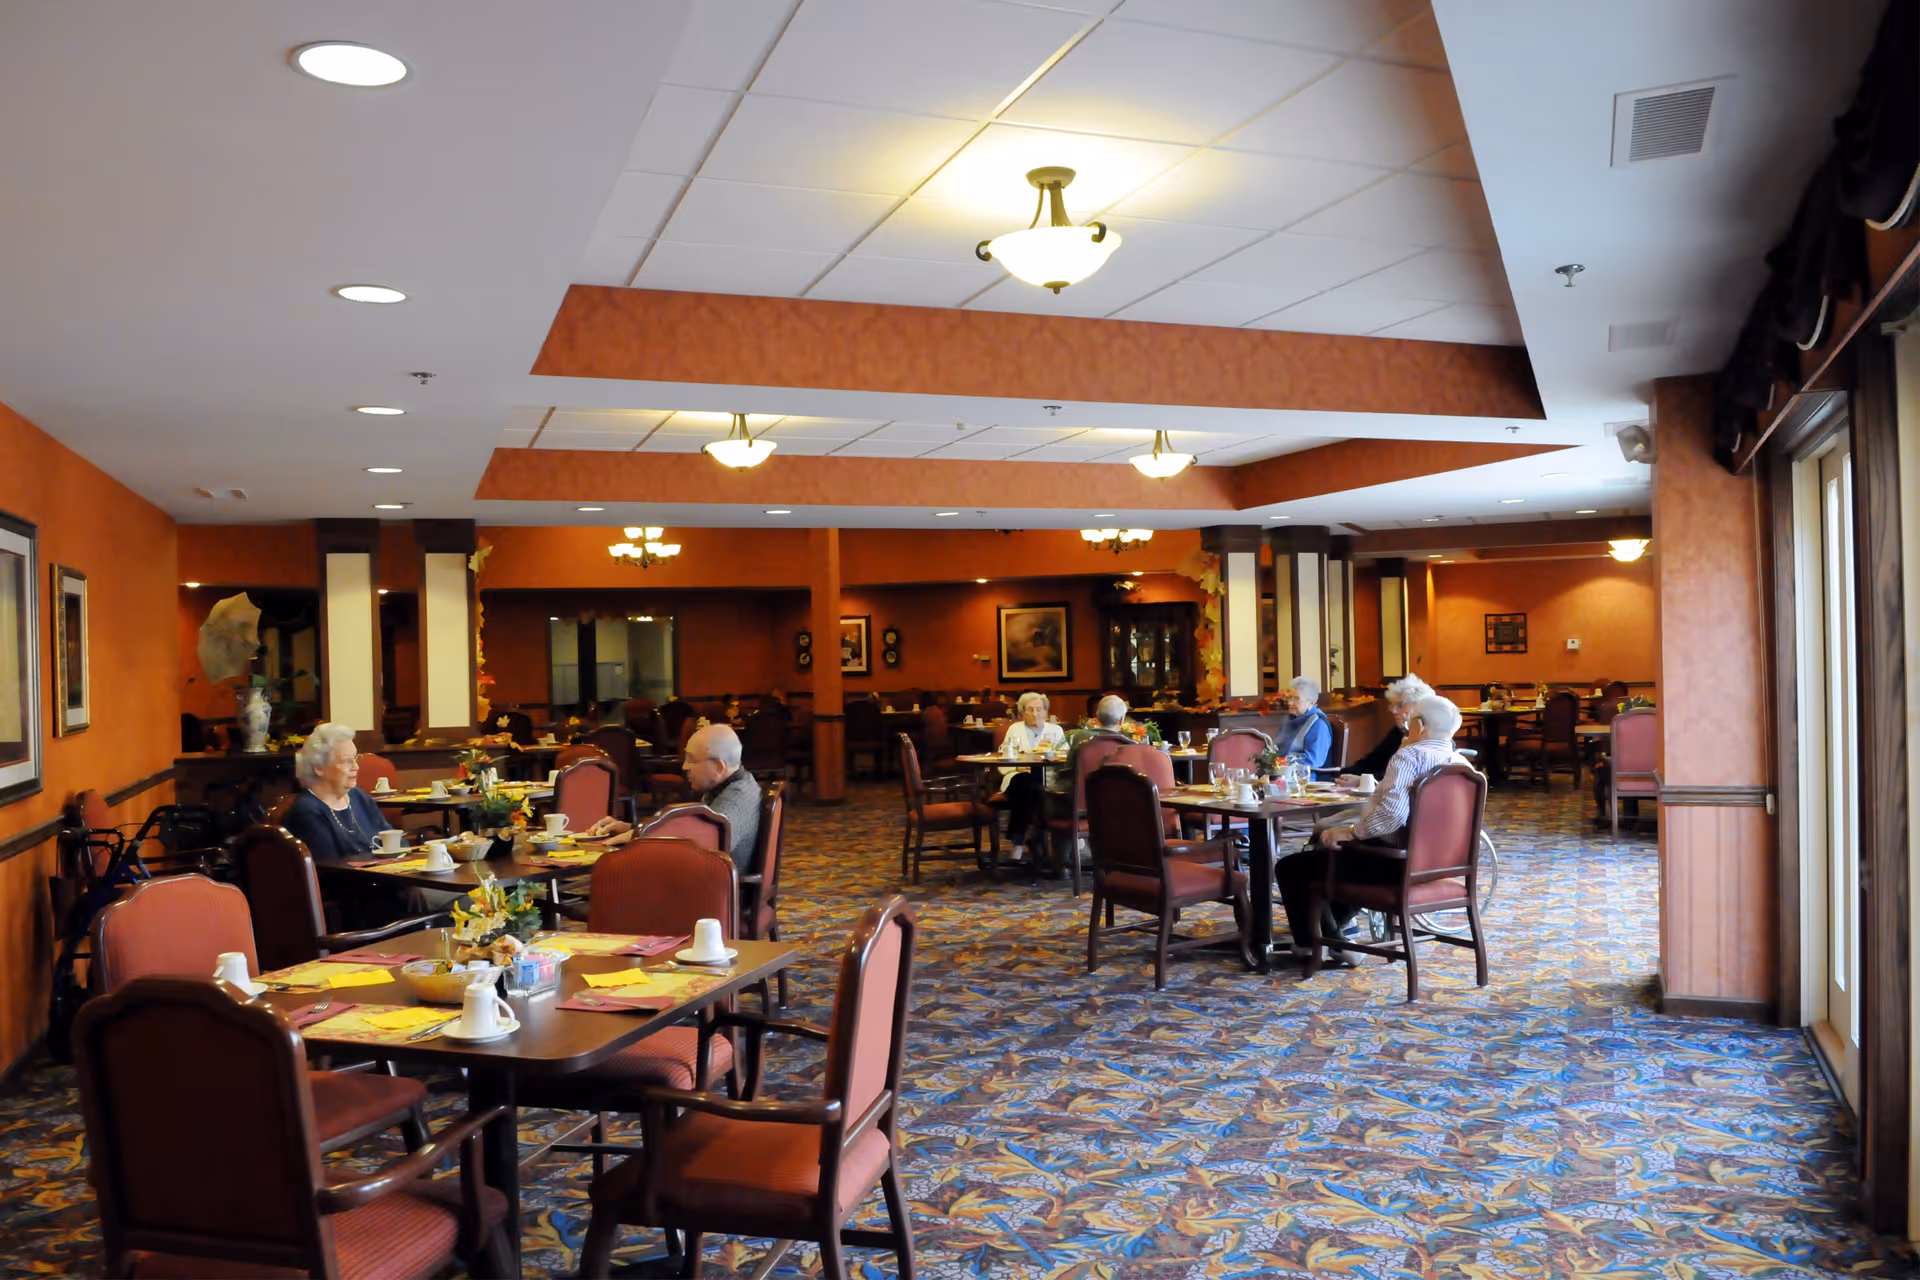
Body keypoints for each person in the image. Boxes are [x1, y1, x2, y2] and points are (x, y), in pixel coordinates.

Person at [1274, 695, 1471, 965]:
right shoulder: (1462, 765)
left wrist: (1351, 832)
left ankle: (1317, 944)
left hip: (1393, 865)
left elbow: (1392, 814)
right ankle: (1336, 936)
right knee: (1327, 861)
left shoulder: (1409, 756)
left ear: (1420, 726)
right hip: (1439, 867)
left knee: (1292, 867)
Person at [585, 723, 761, 873]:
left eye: (691, 760)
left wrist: (637, 836)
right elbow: (690, 834)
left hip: (715, 898)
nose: (685, 766)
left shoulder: (735, 800)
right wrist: (631, 828)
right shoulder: (731, 787)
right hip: (710, 885)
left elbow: (696, 849)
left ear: (718, 766)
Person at [282, 722, 394, 863]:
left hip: (386, 878)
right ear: (319, 768)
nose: (356, 767)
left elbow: (395, 841)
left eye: (355, 759)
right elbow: (330, 869)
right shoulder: (307, 811)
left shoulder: (359, 796)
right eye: (346, 761)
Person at [999, 691, 1065, 863]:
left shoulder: (1055, 730)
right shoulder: (1014, 729)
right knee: (1025, 783)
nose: (1035, 714)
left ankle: (1020, 840)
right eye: (1029, 710)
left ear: (1046, 712)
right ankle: (1027, 841)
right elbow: (1004, 755)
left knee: (1034, 788)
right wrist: (1016, 766)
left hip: (1049, 778)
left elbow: (1066, 757)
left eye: (1039, 709)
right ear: (1022, 712)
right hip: (1019, 776)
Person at [1332, 675, 1436, 783]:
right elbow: (1372, 761)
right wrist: (1345, 774)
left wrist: (1362, 781)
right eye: (1392, 705)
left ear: (1419, 707)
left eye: (1400, 705)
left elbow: (1400, 778)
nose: (1393, 711)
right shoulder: (1398, 732)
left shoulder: (1431, 738)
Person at [1273, 676, 1332, 768]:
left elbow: (1314, 760)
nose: (1290, 703)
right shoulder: (1290, 719)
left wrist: (1282, 762)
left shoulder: (1318, 724)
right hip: (1283, 773)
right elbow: (1277, 748)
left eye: (1296, 699)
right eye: (1289, 698)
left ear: (1311, 702)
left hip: (1308, 778)